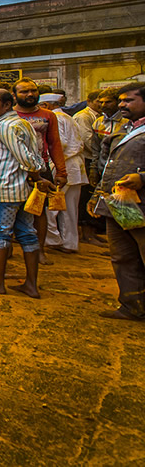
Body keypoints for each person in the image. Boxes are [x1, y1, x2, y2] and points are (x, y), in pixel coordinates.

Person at [0, 90, 50, 298]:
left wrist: (36, 177)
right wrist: (36, 178)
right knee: (27, 234)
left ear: (7, 105)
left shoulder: (6, 126)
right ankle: (31, 284)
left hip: (5, 190)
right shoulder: (23, 124)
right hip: (22, 189)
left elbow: (27, 159)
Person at [94, 83, 145, 319]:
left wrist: (142, 178)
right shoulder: (123, 129)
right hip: (119, 204)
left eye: (129, 100)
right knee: (123, 256)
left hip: (141, 205)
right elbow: (106, 166)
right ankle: (132, 305)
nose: (122, 104)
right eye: (121, 100)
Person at [13, 78, 67, 263]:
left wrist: (61, 171)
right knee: (12, 209)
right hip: (13, 169)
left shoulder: (47, 115)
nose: (29, 94)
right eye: (24, 91)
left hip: (40, 167)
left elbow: (54, 143)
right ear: (15, 96)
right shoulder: (9, 115)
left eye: (33, 91)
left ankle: (39, 250)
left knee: (39, 211)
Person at [40, 93, 87, 254]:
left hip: (62, 165)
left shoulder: (55, 118)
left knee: (50, 206)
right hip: (75, 167)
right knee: (70, 208)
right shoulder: (68, 117)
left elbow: (61, 143)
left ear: (46, 106)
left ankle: (52, 239)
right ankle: (70, 243)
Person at [73, 89, 106, 244]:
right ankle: (87, 233)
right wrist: (98, 155)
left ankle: (92, 231)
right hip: (88, 160)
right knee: (87, 196)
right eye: (99, 101)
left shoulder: (101, 118)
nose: (102, 105)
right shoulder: (83, 117)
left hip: (98, 159)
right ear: (90, 101)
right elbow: (88, 140)